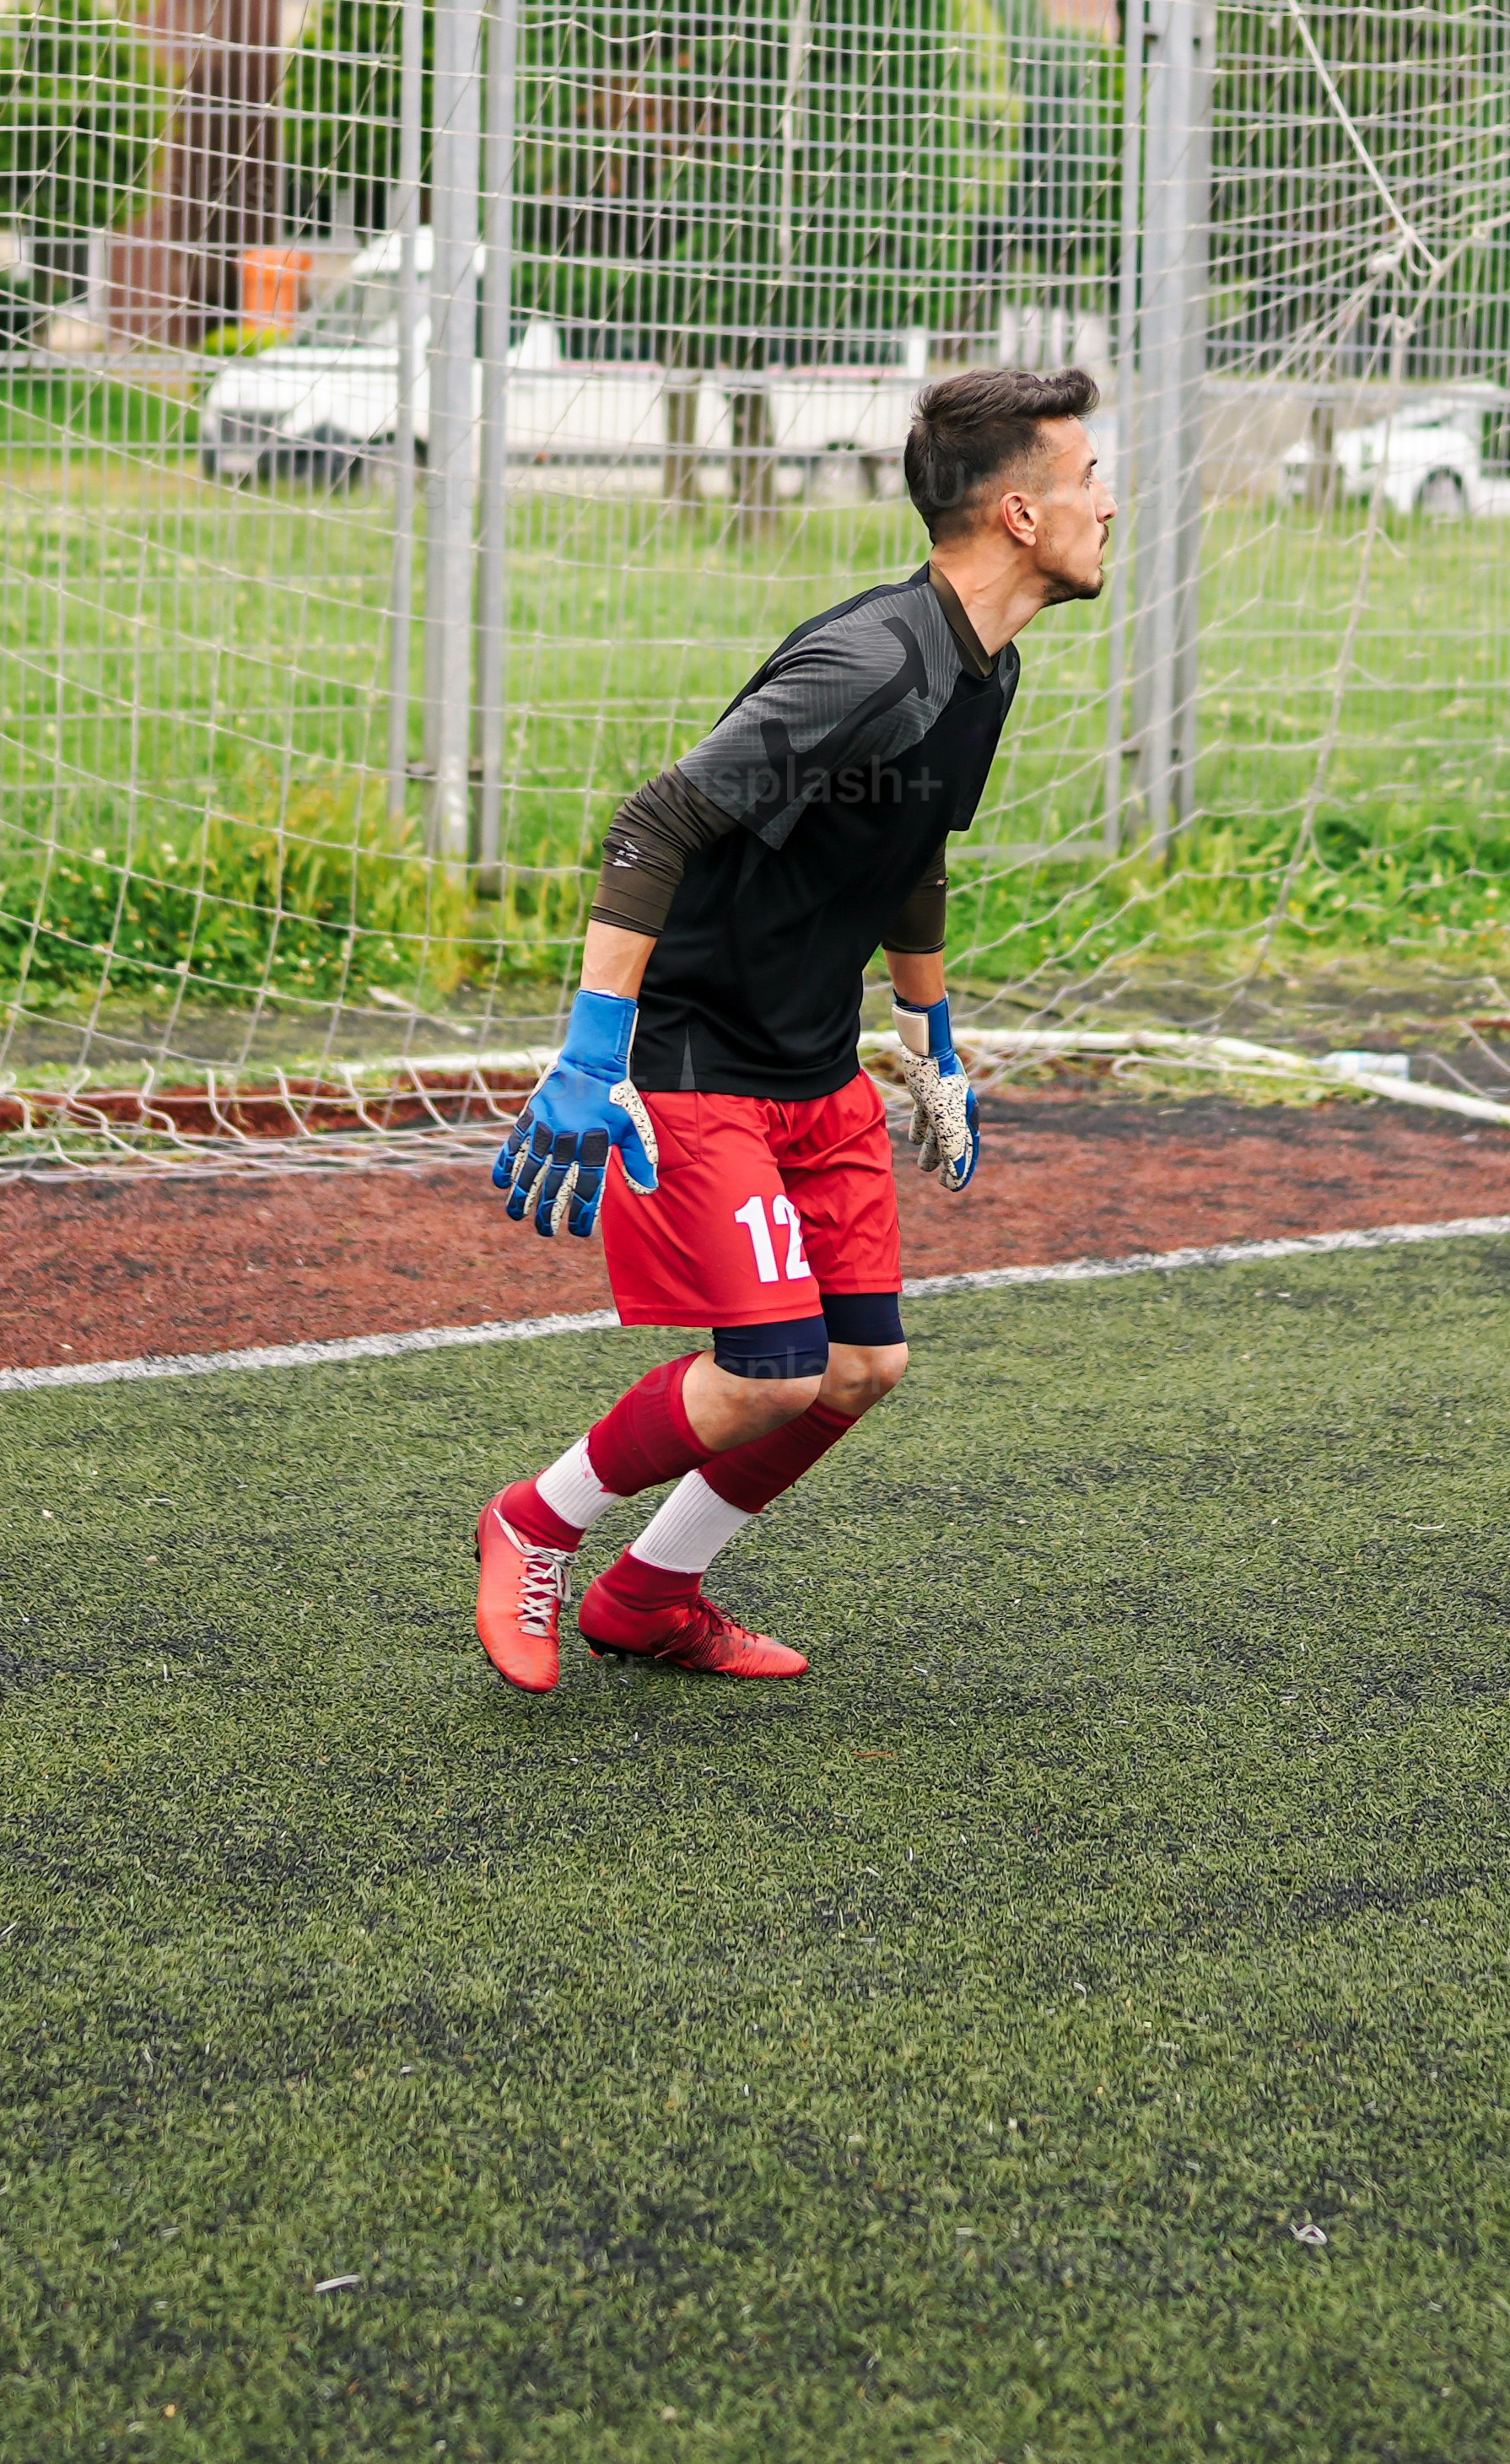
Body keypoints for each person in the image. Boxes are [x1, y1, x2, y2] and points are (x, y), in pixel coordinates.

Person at [472, 360, 1118, 1686]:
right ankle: (532, 1527)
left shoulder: (985, 670)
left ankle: (650, 1595)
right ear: (1016, 516)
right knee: (770, 1370)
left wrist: (931, 1039)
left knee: (861, 1366)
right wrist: (594, 1048)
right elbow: (657, 818)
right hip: (699, 1053)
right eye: (1090, 479)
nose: (1112, 504)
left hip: (816, 1062)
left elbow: (913, 849)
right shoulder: (871, 661)